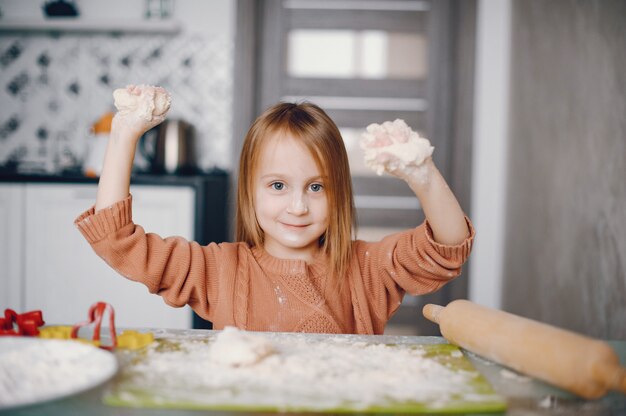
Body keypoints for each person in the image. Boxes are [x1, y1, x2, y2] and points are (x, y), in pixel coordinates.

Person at [75, 85, 474, 335]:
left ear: (340, 195)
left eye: (317, 187)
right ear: (250, 191)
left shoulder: (367, 268)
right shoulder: (218, 271)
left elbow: (447, 247)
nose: (298, 206)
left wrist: (423, 175)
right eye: (278, 186)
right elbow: (116, 241)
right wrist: (124, 134)